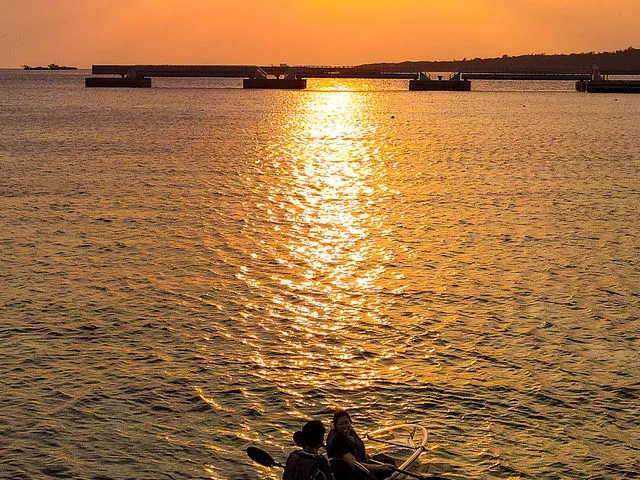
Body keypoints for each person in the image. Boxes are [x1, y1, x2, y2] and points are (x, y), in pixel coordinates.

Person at [326, 410, 395, 480]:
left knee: (387, 460)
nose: (344, 426)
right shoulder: (338, 441)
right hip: (352, 474)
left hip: (362, 464)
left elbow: (359, 449)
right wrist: (379, 467)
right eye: (340, 424)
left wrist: (370, 459)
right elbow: (354, 464)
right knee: (387, 470)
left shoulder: (351, 432)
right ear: (335, 426)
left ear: (350, 422)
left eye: (346, 422)